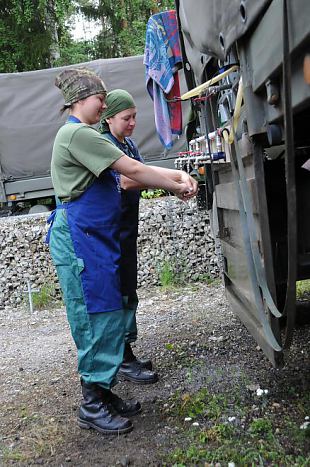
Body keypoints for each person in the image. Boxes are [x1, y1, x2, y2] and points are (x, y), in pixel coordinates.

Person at [47, 67, 197, 436]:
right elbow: (129, 169)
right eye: (101, 98)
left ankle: (104, 391)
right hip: (80, 237)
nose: (103, 105)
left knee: (110, 310)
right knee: (94, 315)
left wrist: (172, 179)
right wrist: (176, 181)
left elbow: (127, 174)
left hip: (95, 236)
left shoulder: (80, 134)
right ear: (82, 99)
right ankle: (91, 403)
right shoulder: (77, 134)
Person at [100, 89, 193, 385]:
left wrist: (175, 179)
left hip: (125, 232)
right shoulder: (103, 144)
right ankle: (121, 359)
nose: (132, 123)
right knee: (117, 295)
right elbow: (129, 179)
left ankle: (125, 353)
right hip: (108, 235)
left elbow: (144, 171)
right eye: (126, 118)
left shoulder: (127, 144)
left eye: (134, 116)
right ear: (109, 117)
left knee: (128, 292)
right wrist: (174, 183)